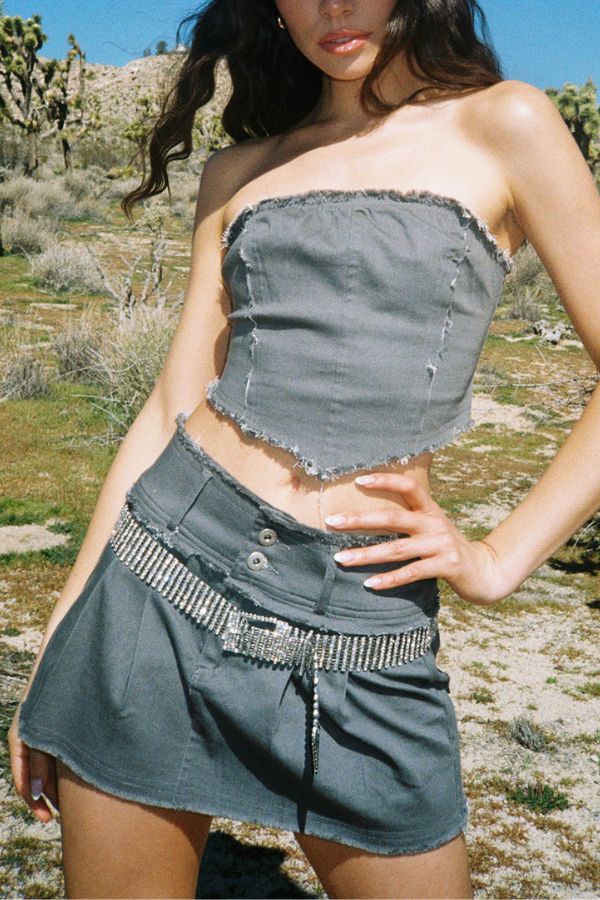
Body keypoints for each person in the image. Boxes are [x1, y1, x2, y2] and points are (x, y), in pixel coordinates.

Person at [8, 0, 600, 897]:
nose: (334, 6)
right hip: (158, 588)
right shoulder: (239, 171)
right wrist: (62, 632)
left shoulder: (505, 124)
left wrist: (497, 560)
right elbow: (171, 403)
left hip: (365, 627)